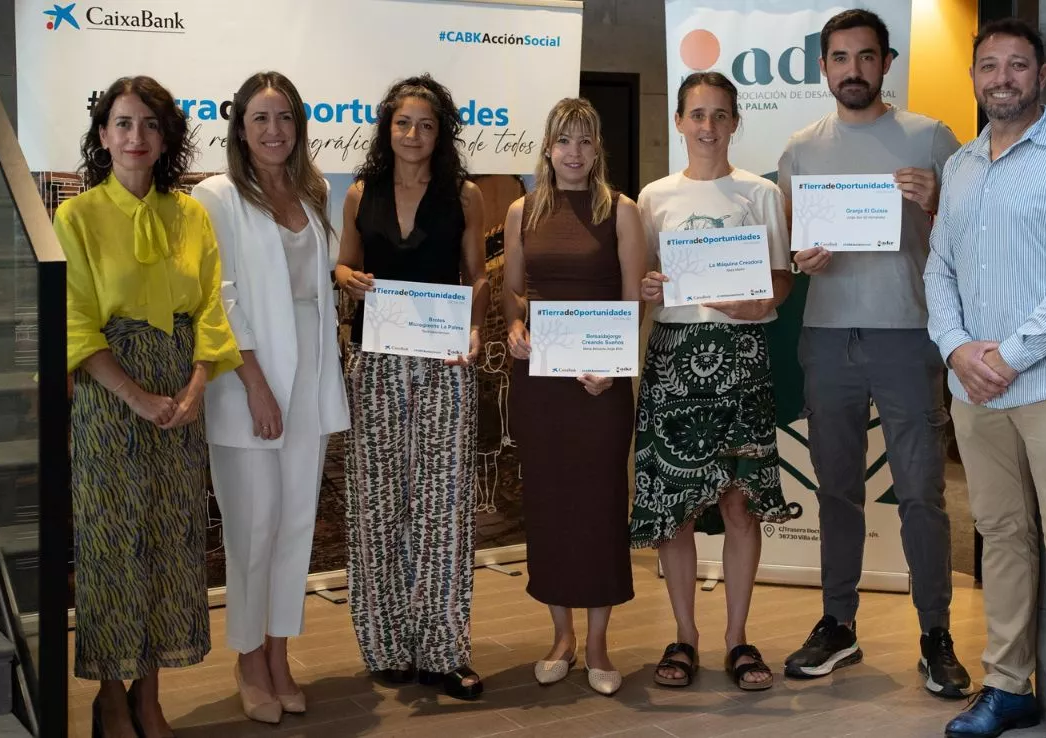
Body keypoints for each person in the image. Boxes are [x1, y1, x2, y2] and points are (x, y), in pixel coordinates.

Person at [927, 19, 1046, 738]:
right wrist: (954, 348)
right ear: (975, 78)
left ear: (1043, 76)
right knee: (1001, 535)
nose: (1000, 77)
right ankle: (1008, 687)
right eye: (988, 66)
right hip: (974, 387)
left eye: (1016, 65)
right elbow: (938, 268)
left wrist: (1006, 355)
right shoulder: (961, 166)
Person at [775, 9, 971, 698]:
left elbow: (974, 237)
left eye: (865, 57)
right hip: (827, 337)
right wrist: (803, 258)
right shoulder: (800, 149)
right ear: (823, 67)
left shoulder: (931, 137)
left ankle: (936, 634)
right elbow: (792, 250)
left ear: (887, 63)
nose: (851, 69)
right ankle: (838, 623)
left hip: (907, 335)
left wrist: (939, 200)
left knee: (921, 490)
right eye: (838, 58)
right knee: (836, 490)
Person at [59, 76, 242, 738]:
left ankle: (151, 692)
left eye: (150, 126)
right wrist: (139, 397)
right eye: (123, 124)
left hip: (181, 403)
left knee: (170, 544)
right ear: (103, 135)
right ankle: (110, 695)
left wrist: (194, 389)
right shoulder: (75, 217)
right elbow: (75, 324)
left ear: (166, 138)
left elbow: (213, 313)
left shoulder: (190, 213)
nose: (136, 138)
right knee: (114, 546)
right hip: (111, 402)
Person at [192, 72, 350, 724]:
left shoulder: (312, 195)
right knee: (251, 528)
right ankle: (248, 660)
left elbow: (313, 286)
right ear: (240, 127)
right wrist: (255, 385)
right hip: (245, 379)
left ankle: (280, 653)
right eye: (260, 118)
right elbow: (219, 299)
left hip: (309, 375)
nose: (274, 130)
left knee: (293, 528)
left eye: (284, 117)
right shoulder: (217, 197)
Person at [633, 71, 796, 692]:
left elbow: (780, 279)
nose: (707, 127)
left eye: (719, 115)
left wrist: (762, 304)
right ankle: (684, 636)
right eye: (696, 115)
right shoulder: (653, 198)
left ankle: (737, 638)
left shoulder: (758, 194)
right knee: (674, 508)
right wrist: (647, 288)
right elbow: (642, 279)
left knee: (739, 504)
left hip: (741, 357)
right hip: (674, 357)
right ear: (678, 122)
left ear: (734, 123)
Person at [335, 74, 488, 700]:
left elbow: (477, 277)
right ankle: (388, 644)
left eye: (426, 125)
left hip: (443, 365)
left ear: (441, 131)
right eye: (403, 123)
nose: (414, 135)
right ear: (386, 128)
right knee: (379, 505)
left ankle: (444, 649)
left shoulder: (466, 195)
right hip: (374, 365)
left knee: (443, 506)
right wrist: (346, 277)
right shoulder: (359, 193)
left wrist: (474, 331)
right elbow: (344, 262)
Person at [502, 98, 646, 696]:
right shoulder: (521, 210)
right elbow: (514, 291)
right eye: (564, 141)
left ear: (598, 149)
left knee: (600, 505)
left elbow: (636, 299)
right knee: (552, 505)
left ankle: (598, 642)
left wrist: (616, 367)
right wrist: (513, 328)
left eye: (586, 142)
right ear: (548, 146)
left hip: (600, 385)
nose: (575, 154)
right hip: (541, 382)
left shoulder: (623, 210)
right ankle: (560, 637)